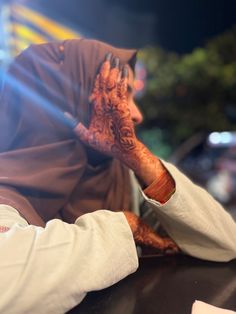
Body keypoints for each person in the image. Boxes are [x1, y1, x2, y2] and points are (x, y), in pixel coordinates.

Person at [0, 39, 235, 313]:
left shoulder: (119, 179)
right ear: (69, 99)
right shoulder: (9, 186)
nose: (136, 115)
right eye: (121, 94)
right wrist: (127, 227)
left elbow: (225, 243)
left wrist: (138, 156)